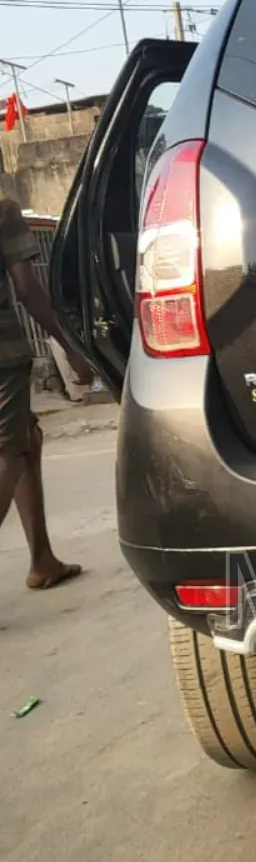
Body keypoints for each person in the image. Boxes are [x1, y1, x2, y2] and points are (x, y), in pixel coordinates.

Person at [0, 193, 92, 589]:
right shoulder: (4, 208)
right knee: (9, 453)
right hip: (3, 356)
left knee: (27, 439)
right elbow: (27, 289)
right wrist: (71, 344)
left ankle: (43, 560)